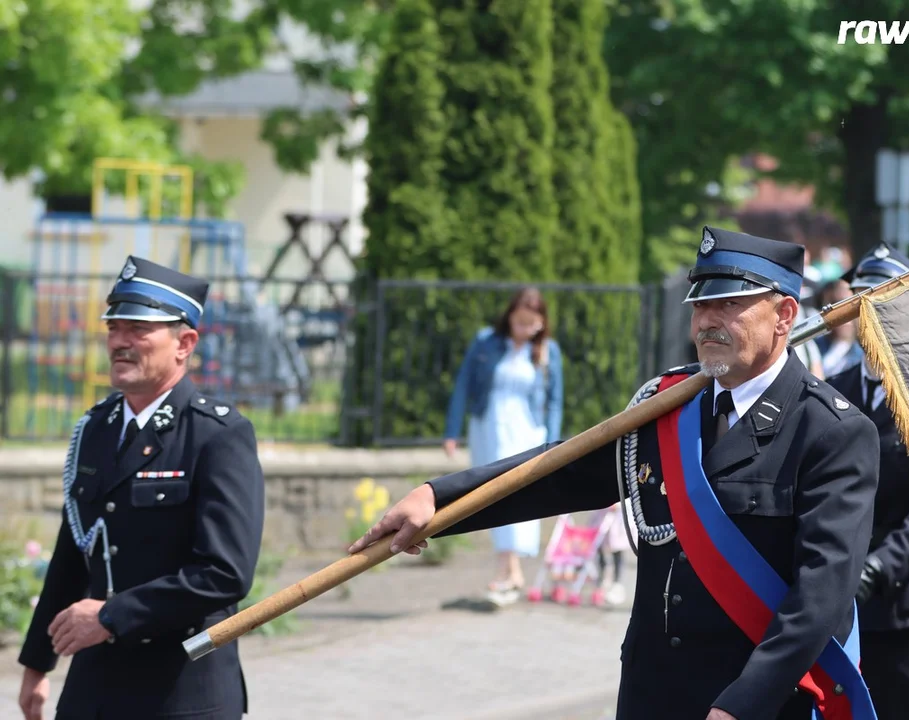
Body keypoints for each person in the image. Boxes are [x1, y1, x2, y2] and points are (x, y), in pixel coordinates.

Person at [351, 227, 881, 720]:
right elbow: (558, 472)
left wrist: (744, 703)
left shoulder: (830, 432)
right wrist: (436, 501)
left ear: (784, 315)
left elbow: (820, 598)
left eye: (729, 305)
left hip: (753, 700)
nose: (706, 322)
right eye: (700, 305)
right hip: (652, 693)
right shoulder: (666, 408)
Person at [17, 256, 266, 720]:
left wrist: (110, 617)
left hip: (180, 690)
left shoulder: (217, 435)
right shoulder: (96, 428)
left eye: (139, 329)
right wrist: (37, 662)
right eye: (114, 328)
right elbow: (74, 553)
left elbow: (225, 572)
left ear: (185, 343)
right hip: (94, 688)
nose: (120, 342)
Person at [829, 243, 909, 720]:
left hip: (906, 603)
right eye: (856, 302)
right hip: (838, 601)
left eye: (877, 302)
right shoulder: (831, 391)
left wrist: (880, 566)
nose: (865, 317)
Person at [442, 287, 563, 600]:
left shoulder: (548, 351)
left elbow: (555, 400)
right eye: (519, 322)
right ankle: (510, 569)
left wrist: (554, 442)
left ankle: (508, 570)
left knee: (516, 491)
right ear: (509, 317)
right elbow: (463, 385)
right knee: (493, 493)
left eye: (531, 324)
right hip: (489, 426)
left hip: (526, 429)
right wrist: (451, 431)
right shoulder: (486, 342)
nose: (524, 330)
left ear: (541, 323)